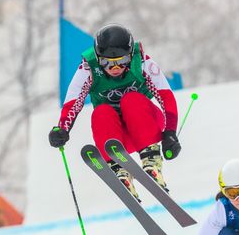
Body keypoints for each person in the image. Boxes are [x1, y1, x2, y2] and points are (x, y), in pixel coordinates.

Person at [48, 24, 181, 198]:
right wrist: (62, 128)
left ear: (130, 56)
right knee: (101, 112)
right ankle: (119, 167)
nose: (115, 68)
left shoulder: (141, 62)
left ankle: (151, 160)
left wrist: (170, 132)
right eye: (107, 63)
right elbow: (73, 101)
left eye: (121, 61)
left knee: (131, 99)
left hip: (146, 127)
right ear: (98, 58)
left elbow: (165, 96)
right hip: (118, 137)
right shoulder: (89, 68)